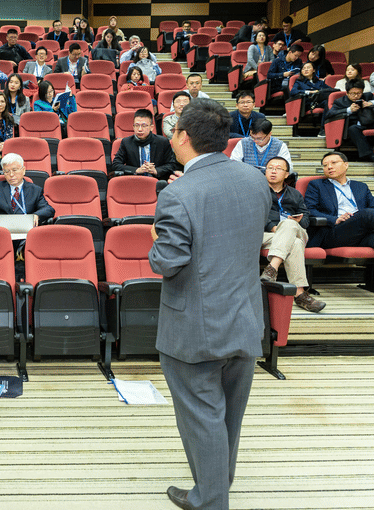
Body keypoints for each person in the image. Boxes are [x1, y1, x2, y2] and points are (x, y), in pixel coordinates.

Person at [149, 98, 271, 510]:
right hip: (246, 318)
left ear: (183, 137)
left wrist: (154, 239)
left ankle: (212, 500)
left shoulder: (178, 193)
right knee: (227, 419)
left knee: (201, 417)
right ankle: (215, 487)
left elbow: (169, 261)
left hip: (194, 329)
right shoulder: (256, 179)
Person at [259, 156, 326, 313]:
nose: (273, 171)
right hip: (267, 234)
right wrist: (274, 227)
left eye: (278, 168)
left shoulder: (295, 194)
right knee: (294, 243)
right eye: (270, 168)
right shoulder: (257, 191)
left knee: (290, 225)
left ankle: (271, 269)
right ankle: (300, 294)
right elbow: (253, 213)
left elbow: (306, 217)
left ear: (287, 174)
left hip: (296, 231)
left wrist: (297, 222)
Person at [305, 151, 374, 285]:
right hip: (334, 231)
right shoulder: (317, 185)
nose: (329, 167)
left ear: (346, 165)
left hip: (361, 232)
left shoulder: (360, 186)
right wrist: (335, 219)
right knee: (367, 214)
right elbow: (309, 210)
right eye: (325, 165)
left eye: (333, 163)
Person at [0, 152, 54, 225]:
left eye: (14, 170)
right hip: (2, 230)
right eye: (7, 171)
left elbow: (48, 209)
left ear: (23, 170)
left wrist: (36, 215)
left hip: (26, 231)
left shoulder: (35, 190)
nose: (11, 174)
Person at [112, 109, 177, 181]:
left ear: (151, 127)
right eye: (137, 125)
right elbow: (116, 165)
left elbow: (172, 164)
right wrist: (136, 170)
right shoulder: (126, 142)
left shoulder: (162, 142)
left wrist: (156, 170)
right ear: (133, 127)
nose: (140, 129)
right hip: (135, 181)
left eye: (144, 126)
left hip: (157, 182)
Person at [326, 80, 374, 161]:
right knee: (353, 129)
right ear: (347, 93)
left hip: (369, 123)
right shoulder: (340, 102)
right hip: (352, 128)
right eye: (352, 93)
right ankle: (370, 156)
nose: (356, 96)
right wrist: (348, 110)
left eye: (359, 93)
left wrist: (371, 103)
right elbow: (330, 114)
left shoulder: (368, 96)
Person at [289, 61, 333, 133]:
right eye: (303, 69)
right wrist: (309, 92)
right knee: (326, 103)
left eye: (308, 68)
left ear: (314, 70)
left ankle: (326, 128)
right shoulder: (299, 82)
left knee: (329, 102)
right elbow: (293, 92)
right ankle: (323, 129)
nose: (305, 70)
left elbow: (330, 90)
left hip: (319, 101)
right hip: (307, 104)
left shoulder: (320, 82)